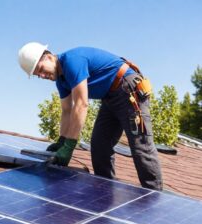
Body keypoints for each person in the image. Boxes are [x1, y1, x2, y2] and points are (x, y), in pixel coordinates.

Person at [18, 42, 163, 191]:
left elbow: (81, 104)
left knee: (140, 145)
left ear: (48, 57)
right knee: (100, 146)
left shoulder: (72, 61)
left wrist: (69, 146)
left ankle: (154, 197)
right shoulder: (61, 81)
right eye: (38, 75)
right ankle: (105, 194)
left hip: (127, 88)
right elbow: (67, 111)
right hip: (109, 97)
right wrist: (61, 141)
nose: (42, 75)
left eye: (41, 69)